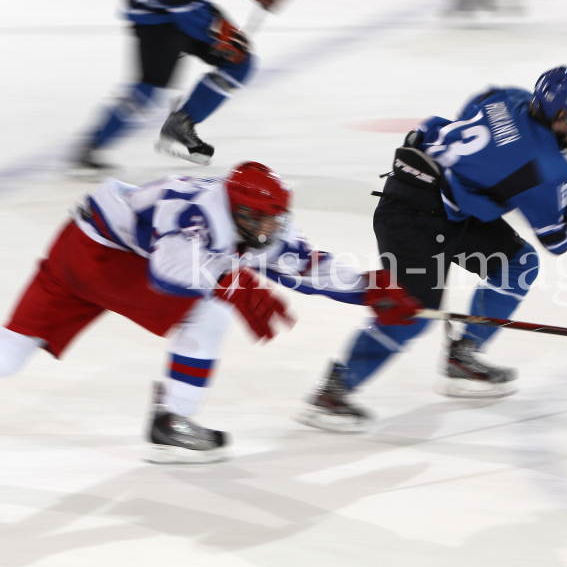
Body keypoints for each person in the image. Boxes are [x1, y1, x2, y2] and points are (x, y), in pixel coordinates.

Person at [0, 162, 420, 463]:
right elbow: (167, 269)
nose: (270, 231)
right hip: (104, 257)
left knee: (13, 348)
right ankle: (173, 421)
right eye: (262, 221)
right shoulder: (197, 211)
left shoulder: (253, 217)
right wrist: (233, 286)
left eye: (276, 221)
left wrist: (369, 288)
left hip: (78, 242)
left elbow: (302, 266)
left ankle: (173, 418)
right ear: (240, 211)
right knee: (207, 315)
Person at [296, 66, 567, 432]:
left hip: (440, 200)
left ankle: (464, 355)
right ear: (561, 115)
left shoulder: (513, 99)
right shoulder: (546, 168)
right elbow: (559, 239)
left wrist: (492, 172)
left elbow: (477, 104)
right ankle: (333, 391)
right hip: (413, 217)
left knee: (518, 262)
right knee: (412, 311)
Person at [73, 0, 289, 172]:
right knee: (149, 89)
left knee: (239, 62)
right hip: (155, 14)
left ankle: (181, 124)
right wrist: (217, 31)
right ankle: (92, 145)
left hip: (185, 6)